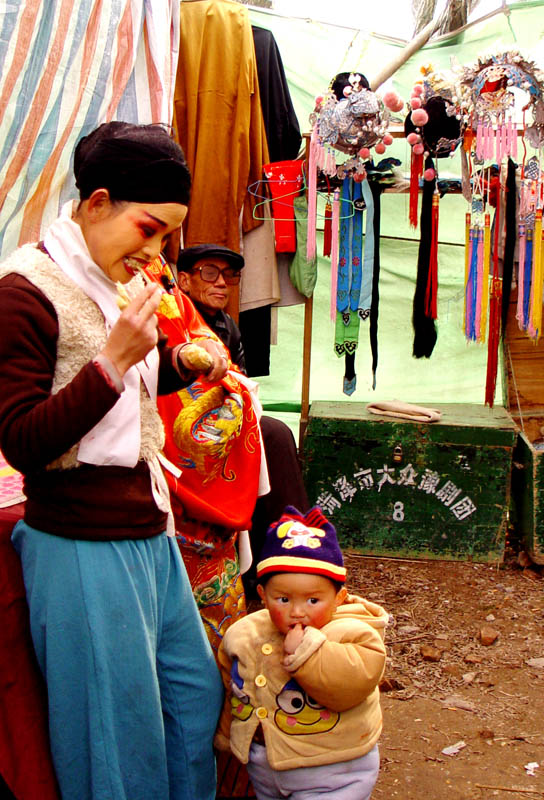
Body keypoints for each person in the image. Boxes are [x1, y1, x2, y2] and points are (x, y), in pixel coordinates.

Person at [0, 121, 226, 800]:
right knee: (116, 737)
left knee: (193, 697)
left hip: (144, 527)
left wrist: (178, 363)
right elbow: (22, 441)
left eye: (166, 238)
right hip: (78, 541)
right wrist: (113, 361)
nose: (155, 252)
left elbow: (125, 392)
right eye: (148, 229)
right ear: (96, 202)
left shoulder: (111, 278)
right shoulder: (22, 292)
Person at [215, 505, 388, 800]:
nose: (297, 612)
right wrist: (228, 737)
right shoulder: (244, 634)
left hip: (335, 772)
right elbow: (234, 687)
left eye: (313, 600)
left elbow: (352, 683)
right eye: (283, 599)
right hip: (266, 767)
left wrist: (308, 652)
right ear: (263, 597)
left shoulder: (355, 632)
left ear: (338, 598)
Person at [176, 244, 310, 597]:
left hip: (223, 415)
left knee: (275, 435)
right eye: (209, 273)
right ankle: (285, 561)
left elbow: (241, 384)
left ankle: (289, 556)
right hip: (176, 422)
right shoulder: (173, 317)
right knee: (271, 435)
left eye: (229, 275)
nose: (221, 282)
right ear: (183, 280)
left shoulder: (227, 325)